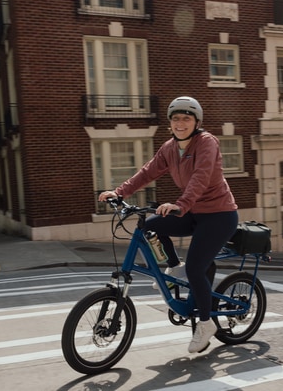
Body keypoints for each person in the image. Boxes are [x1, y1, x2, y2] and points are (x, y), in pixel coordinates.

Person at [98, 96, 238, 353]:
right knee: (149, 226)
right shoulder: (170, 148)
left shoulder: (207, 143)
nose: (180, 123)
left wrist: (180, 204)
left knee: (196, 269)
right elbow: (148, 171)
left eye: (186, 118)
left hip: (218, 215)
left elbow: (201, 176)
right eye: (176, 118)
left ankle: (206, 325)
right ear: (170, 123)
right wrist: (119, 192)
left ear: (197, 122)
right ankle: (174, 268)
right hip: (192, 211)